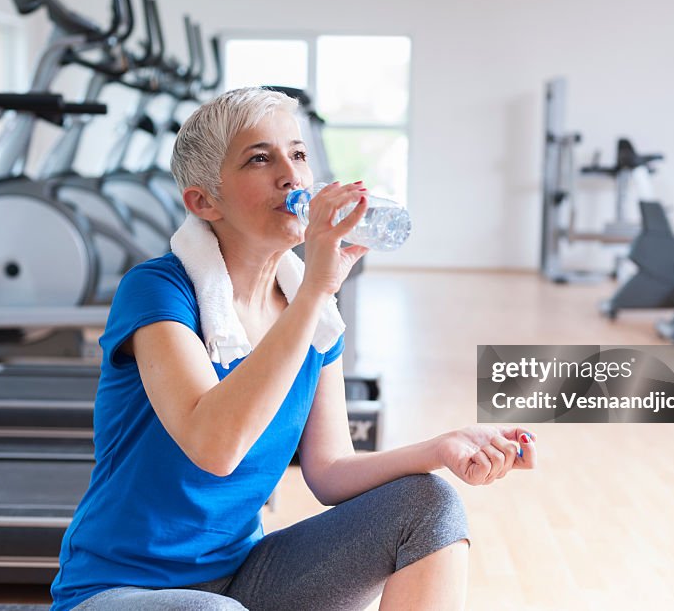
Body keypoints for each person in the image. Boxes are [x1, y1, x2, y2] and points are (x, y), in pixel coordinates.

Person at [50, 87, 538, 611]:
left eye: (298, 154)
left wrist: (440, 448)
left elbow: (329, 471)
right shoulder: (158, 292)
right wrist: (315, 291)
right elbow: (215, 447)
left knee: (429, 503)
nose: (293, 175)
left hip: (247, 579)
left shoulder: (315, 314)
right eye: (260, 158)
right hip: (119, 591)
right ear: (203, 201)